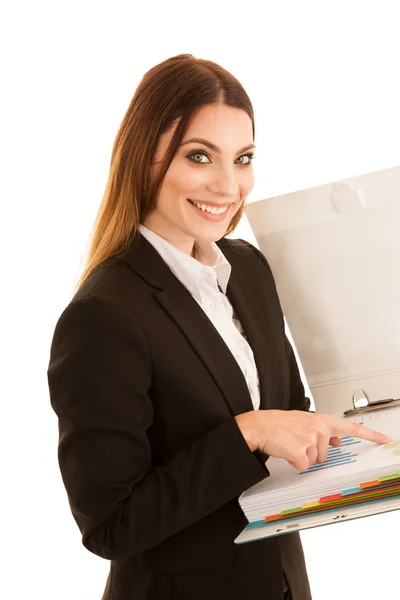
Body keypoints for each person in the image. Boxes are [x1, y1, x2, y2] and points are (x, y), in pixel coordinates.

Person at [47, 54, 391, 600]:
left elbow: (289, 416)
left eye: (244, 158)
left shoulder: (248, 268)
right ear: (145, 158)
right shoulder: (104, 315)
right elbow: (110, 525)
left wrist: (373, 445)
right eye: (200, 156)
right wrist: (247, 431)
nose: (228, 186)